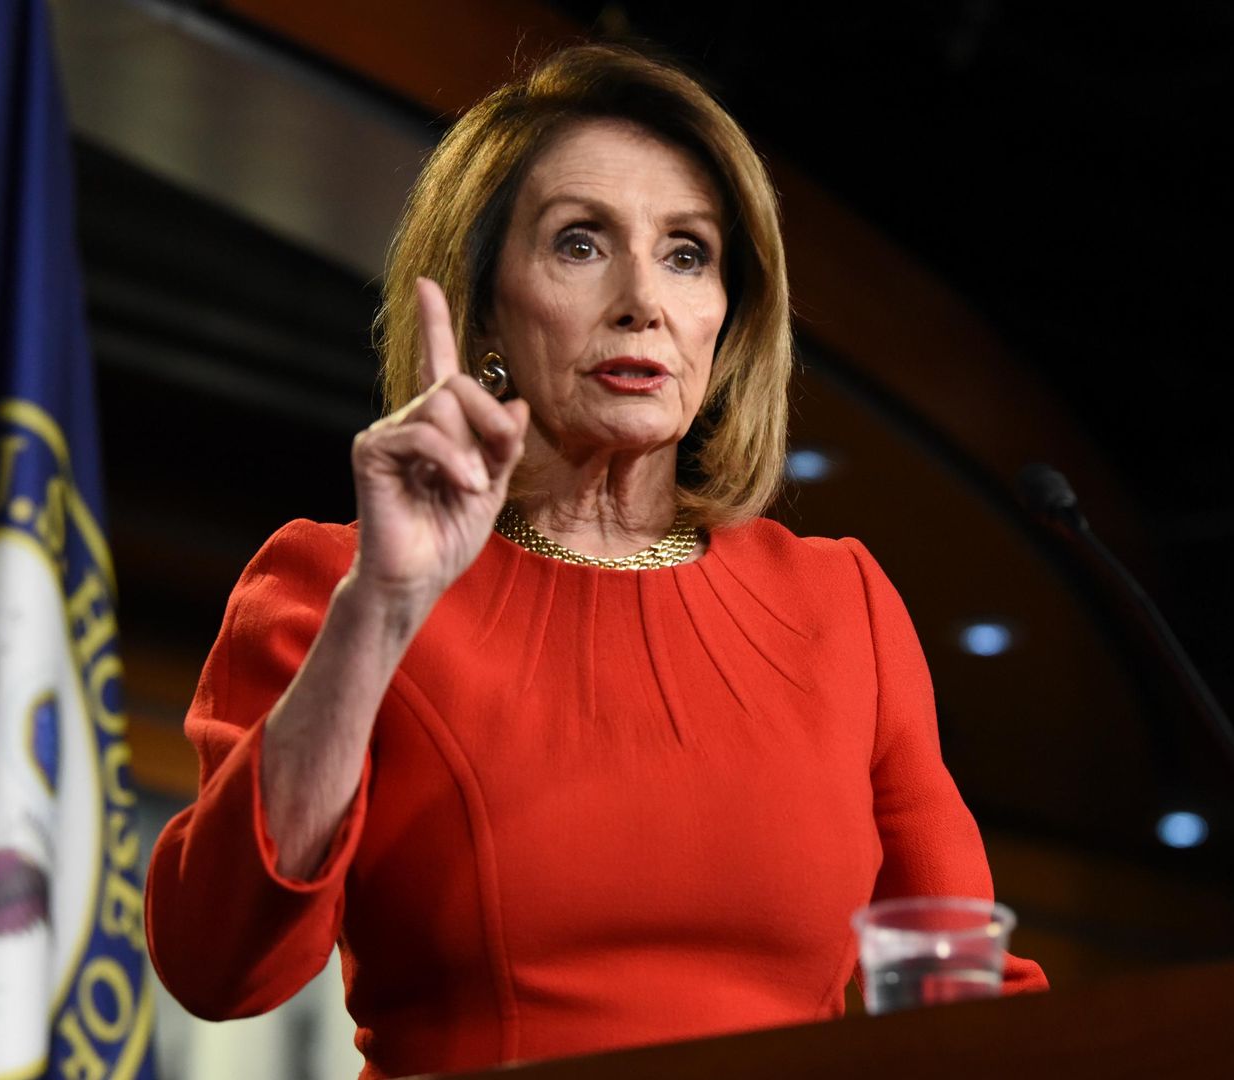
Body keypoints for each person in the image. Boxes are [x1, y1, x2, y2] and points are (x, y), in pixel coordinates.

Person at [144, 42, 1047, 1079]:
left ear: (731, 315)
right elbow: (217, 968)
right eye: (581, 245)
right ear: (483, 305)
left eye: (687, 254)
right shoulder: (331, 586)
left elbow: (966, 993)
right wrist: (385, 612)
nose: (641, 300)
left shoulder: (838, 603)